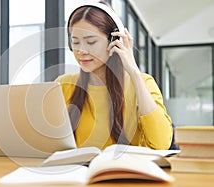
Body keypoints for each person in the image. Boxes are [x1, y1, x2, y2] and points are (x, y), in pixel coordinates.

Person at [55, 2, 173, 150]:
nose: (81, 50)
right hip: (77, 172)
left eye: (90, 42)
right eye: (75, 42)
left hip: (126, 171)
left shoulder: (143, 82)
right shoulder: (63, 85)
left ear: (114, 41)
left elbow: (161, 144)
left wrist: (134, 72)